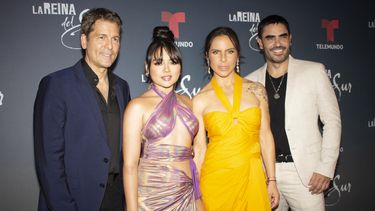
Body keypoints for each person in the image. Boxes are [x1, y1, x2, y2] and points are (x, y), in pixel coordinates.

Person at [33, 8, 130, 211]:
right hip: (73, 201)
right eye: (102, 37)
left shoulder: (122, 87)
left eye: (115, 39)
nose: (109, 46)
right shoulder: (56, 85)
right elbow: (49, 161)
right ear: (84, 41)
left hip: (116, 199)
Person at [246, 15, 342, 211]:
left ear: (290, 39)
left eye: (282, 36)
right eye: (270, 38)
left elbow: (332, 122)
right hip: (265, 174)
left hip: (306, 175)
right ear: (259, 43)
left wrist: (325, 168)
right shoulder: (249, 82)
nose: (277, 43)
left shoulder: (314, 71)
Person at [193, 26, 279, 210]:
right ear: (208, 57)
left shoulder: (257, 91)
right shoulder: (200, 100)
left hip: (253, 178)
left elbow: (265, 136)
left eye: (229, 51)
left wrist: (272, 180)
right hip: (216, 181)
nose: (223, 59)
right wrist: (196, 194)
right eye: (216, 52)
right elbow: (199, 150)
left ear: (237, 55)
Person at [123, 26, 203, 211]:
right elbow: (129, 166)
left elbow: (198, 154)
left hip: (187, 194)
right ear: (147, 67)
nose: (167, 69)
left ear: (180, 66)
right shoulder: (137, 106)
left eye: (173, 62)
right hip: (152, 198)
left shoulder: (189, 103)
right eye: (159, 62)